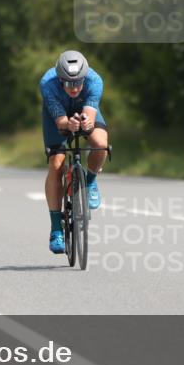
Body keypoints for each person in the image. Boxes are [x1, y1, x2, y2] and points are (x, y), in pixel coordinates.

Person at [41, 50, 108, 254]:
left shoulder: (95, 80)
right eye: (69, 83)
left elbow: (89, 113)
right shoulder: (48, 83)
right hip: (57, 118)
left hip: (84, 110)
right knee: (57, 163)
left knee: (99, 143)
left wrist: (86, 123)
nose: (75, 87)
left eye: (78, 82)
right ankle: (56, 229)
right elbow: (61, 122)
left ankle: (90, 181)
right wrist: (66, 123)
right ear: (60, 79)